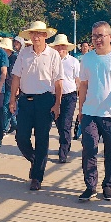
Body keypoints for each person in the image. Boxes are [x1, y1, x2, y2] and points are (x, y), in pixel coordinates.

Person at [77, 21, 111, 201]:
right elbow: (83, 85)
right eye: (94, 36)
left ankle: (108, 185)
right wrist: (81, 109)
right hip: (90, 112)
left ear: (110, 37)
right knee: (89, 149)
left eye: (101, 36)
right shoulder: (87, 58)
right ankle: (90, 186)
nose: (97, 39)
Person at [9, 21, 63, 191]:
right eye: (33, 34)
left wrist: (57, 104)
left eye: (39, 34)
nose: (36, 37)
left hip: (45, 101)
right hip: (25, 100)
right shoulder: (24, 53)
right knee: (21, 137)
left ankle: (37, 177)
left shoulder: (53, 55)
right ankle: (35, 159)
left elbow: (58, 82)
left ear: (45, 35)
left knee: (42, 139)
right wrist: (12, 99)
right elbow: (16, 77)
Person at [50, 33, 79, 163]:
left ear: (67, 47)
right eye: (58, 46)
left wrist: (81, 97)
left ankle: (63, 152)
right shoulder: (51, 61)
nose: (60, 49)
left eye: (62, 46)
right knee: (59, 123)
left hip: (69, 96)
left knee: (66, 124)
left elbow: (78, 80)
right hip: (54, 96)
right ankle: (65, 143)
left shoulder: (73, 61)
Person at [0, 37, 18, 134]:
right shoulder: (4, 58)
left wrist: (17, 87)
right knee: (8, 106)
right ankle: (14, 124)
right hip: (5, 85)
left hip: (11, 85)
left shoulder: (14, 58)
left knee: (5, 107)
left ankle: (5, 128)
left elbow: (16, 74)